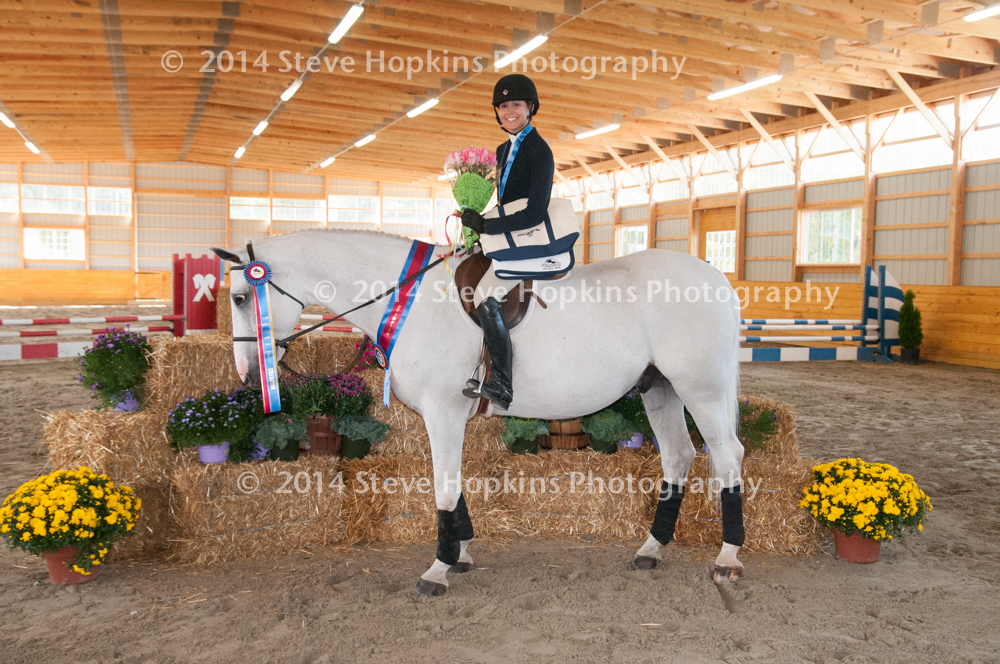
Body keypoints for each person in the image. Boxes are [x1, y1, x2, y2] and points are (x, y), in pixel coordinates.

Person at [460, 73, 555, 410]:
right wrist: (475, 222)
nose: (509, 110)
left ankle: (501, 383)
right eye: (503, 105)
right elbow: (505, 204)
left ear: (530, 107)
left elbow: (534, 212)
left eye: (515, 104)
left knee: (485, 298)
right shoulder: (503, 150)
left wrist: (489, 226)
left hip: (529, 239)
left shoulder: (540, 151)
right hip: (505, 238)